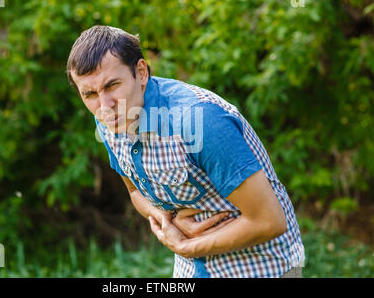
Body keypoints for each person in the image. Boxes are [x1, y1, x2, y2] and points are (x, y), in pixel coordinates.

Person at [66, 25, 305, 278]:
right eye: (90, 94)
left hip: (262, 268)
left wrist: (185, 246)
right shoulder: (109, 119)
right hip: (192, 271)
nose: (104, 105)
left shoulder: (199, 121)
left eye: (112, 85)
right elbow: (135, 191)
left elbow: (269, 221)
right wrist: (164, 218)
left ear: (141, 71)